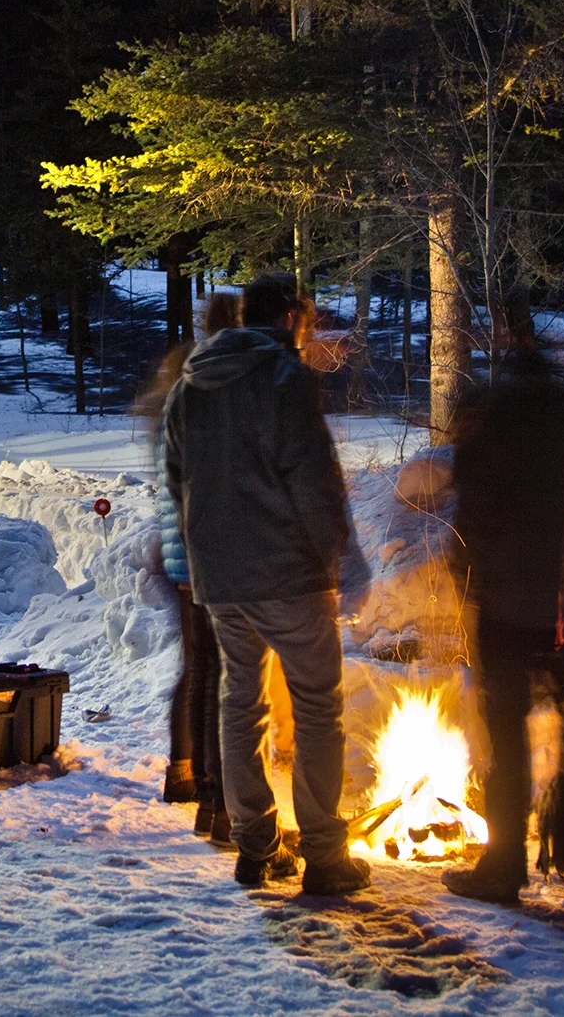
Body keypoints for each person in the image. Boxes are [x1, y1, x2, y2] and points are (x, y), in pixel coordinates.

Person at [163, 272, 371, 897]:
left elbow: (179, 484)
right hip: (289, 575)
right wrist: (344, 560)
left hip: (221, 578)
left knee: (241, 703)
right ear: (289, 320)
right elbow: (314, 482)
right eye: (305, 323)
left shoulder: (188, 388)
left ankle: (255, 849)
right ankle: (325, 857)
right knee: (316, 708)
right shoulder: (286, 380)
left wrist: (207, 553)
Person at [433, 344, 564, 906]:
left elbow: (473, 497)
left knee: (507, 731)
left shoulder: (491, 411)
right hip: (562, 590)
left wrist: (466, 567)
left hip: (506, 592)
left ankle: (504, 865)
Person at [139, 290, 240, 844]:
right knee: (214, 668)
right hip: (201, 551)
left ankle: (189, 772)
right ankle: (206, 781)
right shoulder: (207, 392)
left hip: (181, 550)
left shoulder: (181, 390)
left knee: (199, 665)